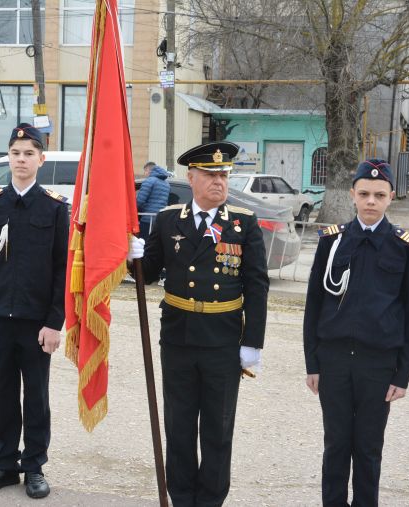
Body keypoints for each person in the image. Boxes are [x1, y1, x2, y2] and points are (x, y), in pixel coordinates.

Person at [128, 141, 269, 506]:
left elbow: (256, 285)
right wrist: (134, 257)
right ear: (191, 178)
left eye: (223, 175)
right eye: (210, 175)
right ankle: (181, 497)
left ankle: (210, 500)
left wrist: (252, 342)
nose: (219, 182)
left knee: (218, 429)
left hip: (223, 340)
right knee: (179, 425)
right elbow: (148, 274)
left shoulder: (243, 222)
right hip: (179, 337)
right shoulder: (168, 220)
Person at [303, 159, 409, 507]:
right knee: (336, 445)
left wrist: (403, 374)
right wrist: (312, 363)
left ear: (391, 198)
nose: (371, 201)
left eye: (379, 195)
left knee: (369, 449)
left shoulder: (404, 247)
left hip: (378, 364)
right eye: (365, 193)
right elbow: (314, 305)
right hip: (334, 361)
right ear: (353, 194)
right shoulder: (332, 242)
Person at [0, 123, 69, 499]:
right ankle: (4, 465)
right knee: (4, 395)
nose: (21, 159)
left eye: (29, 154)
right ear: (8, 158)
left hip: (36, 324)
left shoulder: (54, 207)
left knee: (36, 397)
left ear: (41, 160)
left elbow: (61, 269)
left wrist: (54, 322)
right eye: (15, 153)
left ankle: (34, 466)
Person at [136, 161, 171, 240]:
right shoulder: (166, 184)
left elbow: (139, 202)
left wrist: (134, 212)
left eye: (145, 171)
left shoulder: (149, 181)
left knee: (144, 244)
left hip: (148, 220)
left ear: (148, 170)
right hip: (160, 220)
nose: (144, 174)